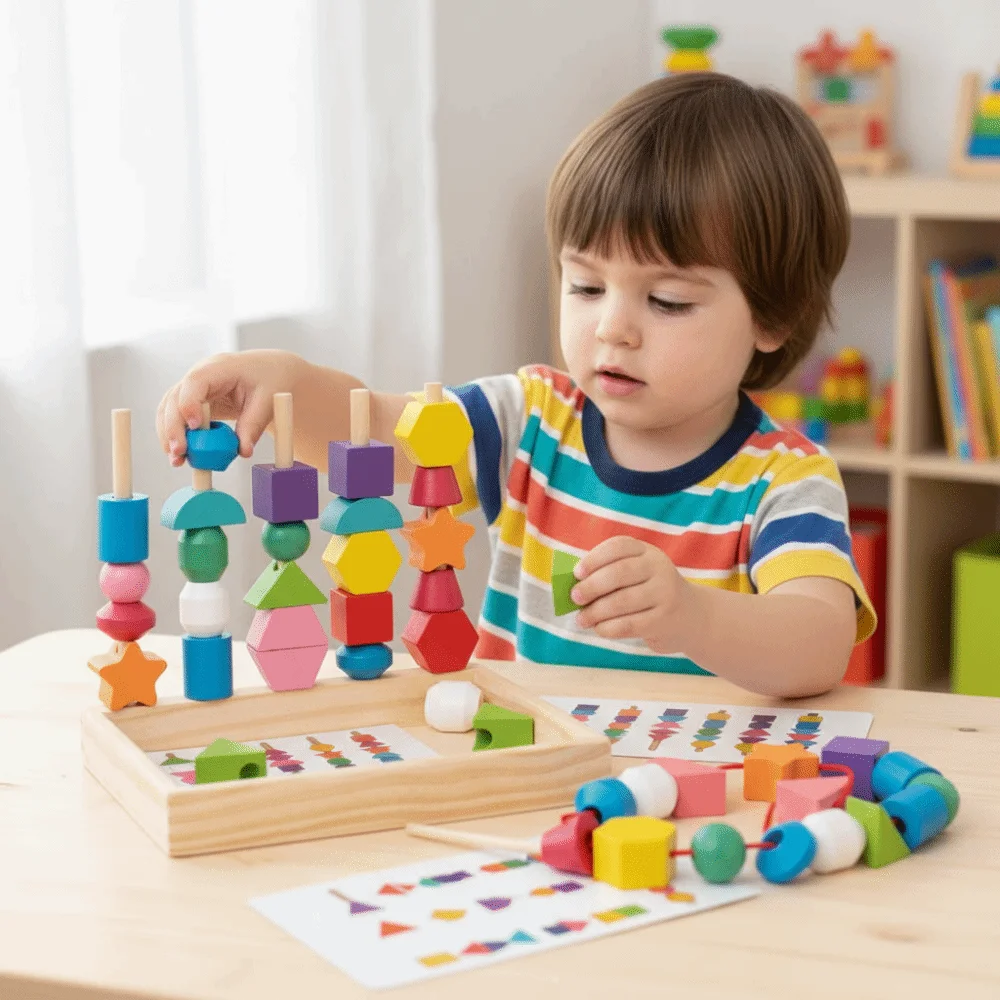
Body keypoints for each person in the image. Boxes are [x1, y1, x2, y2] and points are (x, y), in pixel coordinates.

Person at [157, 72, 875, 698]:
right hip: (531, 776)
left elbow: (818, 642)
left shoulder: (785, 479)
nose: (611, 329)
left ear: (772, 317)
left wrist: (695, 616)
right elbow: (373, 432)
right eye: (587, 284)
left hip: (694, 801)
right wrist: (285, 382)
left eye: (667, 302)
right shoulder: (528, 421)